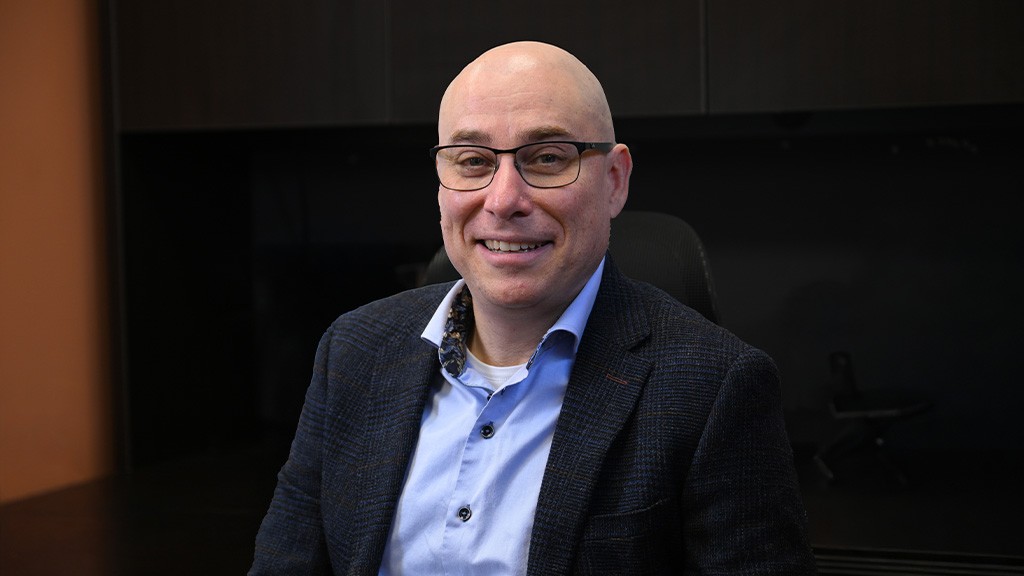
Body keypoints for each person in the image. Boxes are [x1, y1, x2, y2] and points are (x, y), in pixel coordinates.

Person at [250, 40, 817, 575]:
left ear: (615, 181)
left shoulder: (715, 387)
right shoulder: (353, 350)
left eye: (547, 158)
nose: (503, 200)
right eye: (472, 161)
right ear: (441, 183)